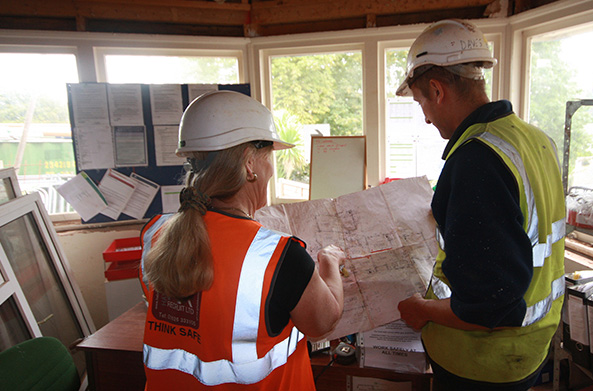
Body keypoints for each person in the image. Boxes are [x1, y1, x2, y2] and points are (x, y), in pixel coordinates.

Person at [396, 20, 566, 391]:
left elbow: (490, 305)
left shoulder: (477, 161)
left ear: (437, 90)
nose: (425, 117)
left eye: (421, 101)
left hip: (480, 364)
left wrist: (420, 309)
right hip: (530, 348)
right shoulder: (535, 140)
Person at [139, 90, 345, 390]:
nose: (271, 168)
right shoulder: (280, 255)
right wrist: (329, 262)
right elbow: (323, 323)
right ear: (250, 163)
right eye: (270, 156)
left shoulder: (154, 235)